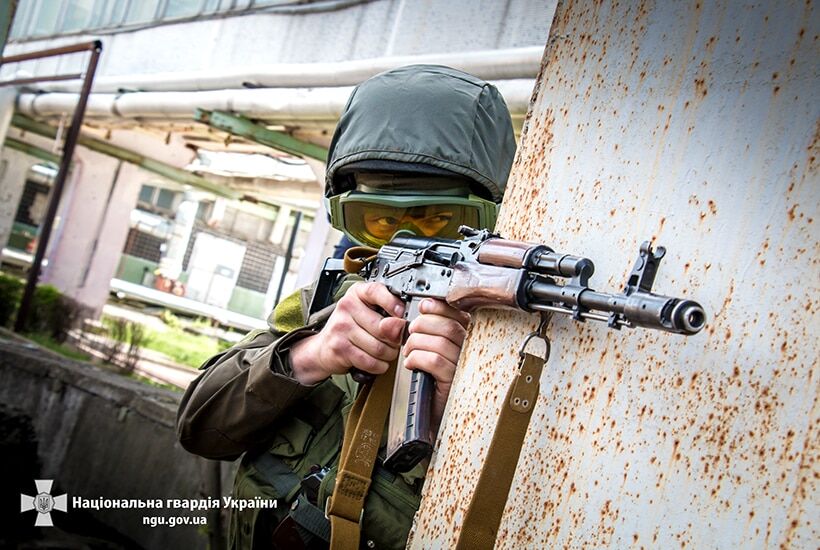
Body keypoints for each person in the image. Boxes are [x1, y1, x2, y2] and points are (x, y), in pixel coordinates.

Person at [176, 64, 516, 549]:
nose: (407, 242)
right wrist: (309, 355)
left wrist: (455, 416)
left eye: (439, 220)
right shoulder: (330, 300)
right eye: (378, 221)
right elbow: (199, 428)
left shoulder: (504, 342)